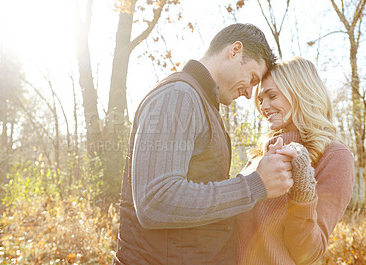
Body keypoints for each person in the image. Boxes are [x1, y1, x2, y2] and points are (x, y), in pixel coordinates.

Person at [114, 23, 296, 265]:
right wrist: (254, 185)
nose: (249, 93)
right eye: (252, 78)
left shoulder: (201, 102)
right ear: (235, 51)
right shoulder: (178, 96)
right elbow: (155, 200)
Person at [235, 56, 354, 264]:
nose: (264, 107)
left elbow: (308, 251)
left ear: (300, 92)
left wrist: (303, 192)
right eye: (261, 100)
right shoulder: (261, 153)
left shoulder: (334, 156)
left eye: (272, 96)